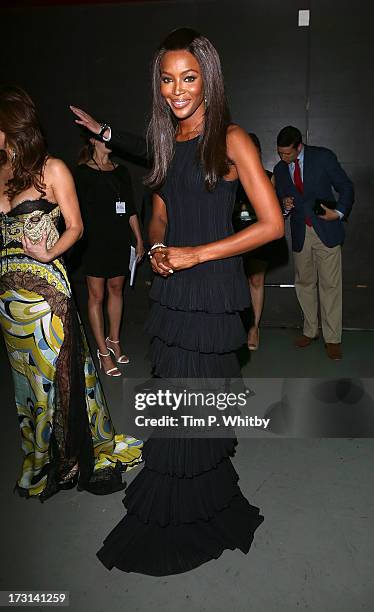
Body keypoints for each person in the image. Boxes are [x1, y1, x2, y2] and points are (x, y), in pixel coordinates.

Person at [71, 27, 284, 576]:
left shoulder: (231, 139)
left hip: (211, 294)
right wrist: (162, 244)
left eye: (188, 78)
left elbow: (271, 225)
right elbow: (160, 206)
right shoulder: (166, 141)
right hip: (172, 294)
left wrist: (195, 255)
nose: (177, 89)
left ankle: (192, 513)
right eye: (167, 79)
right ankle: (188, 496)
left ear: (207, 80)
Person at [0, 86, 142, 502]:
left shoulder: (54, 169)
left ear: (14, 129)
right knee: (25, 384)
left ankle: (73, 455)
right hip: (8, 299)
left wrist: (48, 251)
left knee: (56, 379)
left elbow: (76, 227)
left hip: (47, 296)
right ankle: (39, 455)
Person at [273, 126, 354, 360]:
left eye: (287, 153)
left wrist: (338, 212)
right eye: (280, 153)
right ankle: (310, 330)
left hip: (326, 229)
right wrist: (285, 205)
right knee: (304, 283)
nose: (283, 158)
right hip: (300, 233)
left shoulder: (323, 157)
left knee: (330, 286)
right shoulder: (279, 169)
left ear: (299, 147)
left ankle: (333, 339)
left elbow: (346, 187)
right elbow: (281, 201)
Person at [74, 132, 144, 376]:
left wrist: (139, 238)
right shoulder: (81, 173)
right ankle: (103, 351)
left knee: (116, 289)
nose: (108, 140)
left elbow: (130, 208)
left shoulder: (121, 171)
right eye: (101, 136)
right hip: (94, 242)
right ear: (92, 141)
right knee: (97, 295)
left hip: (119, 240)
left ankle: (114, 340)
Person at [234, 132, 287, 350]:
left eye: (253, 151)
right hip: (232, 235)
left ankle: (254, 328)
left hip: (259, 236)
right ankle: (234, 327)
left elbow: (272, 210)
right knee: (233, 282)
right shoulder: (229, 176)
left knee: (256, 281)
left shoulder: (267, 176)